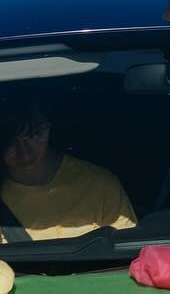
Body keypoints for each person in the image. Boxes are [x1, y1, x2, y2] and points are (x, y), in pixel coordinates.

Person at [0, 98, 136, 242]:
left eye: (33, 136)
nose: (24, 152)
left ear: (48, 127)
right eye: (10, 143)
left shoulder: (100, 185)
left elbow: (130, 253)